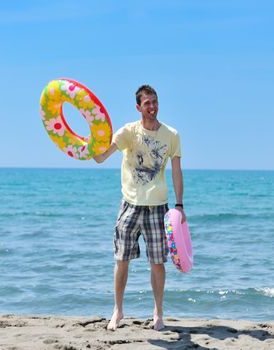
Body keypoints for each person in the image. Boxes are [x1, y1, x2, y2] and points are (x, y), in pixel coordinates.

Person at [93, 85, 185, 331]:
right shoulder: (128, 132)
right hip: (130, 205)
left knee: (157, 262)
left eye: (155, 102)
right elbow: (102, 157)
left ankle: (158, 312)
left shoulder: (171, 135)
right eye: (147, 103)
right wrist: (88, 147)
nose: (152, 107)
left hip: (158, 207)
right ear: (138, 107)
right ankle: (117, 310)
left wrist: (179, 205)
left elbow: (176, 171)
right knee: (121, 259)